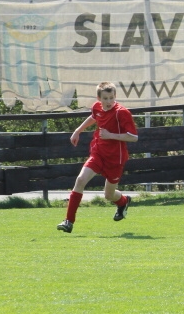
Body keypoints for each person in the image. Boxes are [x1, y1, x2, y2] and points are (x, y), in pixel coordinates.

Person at [57, 82, 138, 233]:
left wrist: (110, 135)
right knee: (80, 180)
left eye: (111, 98)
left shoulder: (122, 113)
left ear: (115, 96)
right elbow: (94, 117)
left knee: (108, 195)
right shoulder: (97, 107)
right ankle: (68, 221)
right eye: (105, 98)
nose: (108, 102)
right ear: (99, 98)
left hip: (115, 159)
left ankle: (123, 202)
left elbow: (133, 137)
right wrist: (78, 130)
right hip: (98, 153)